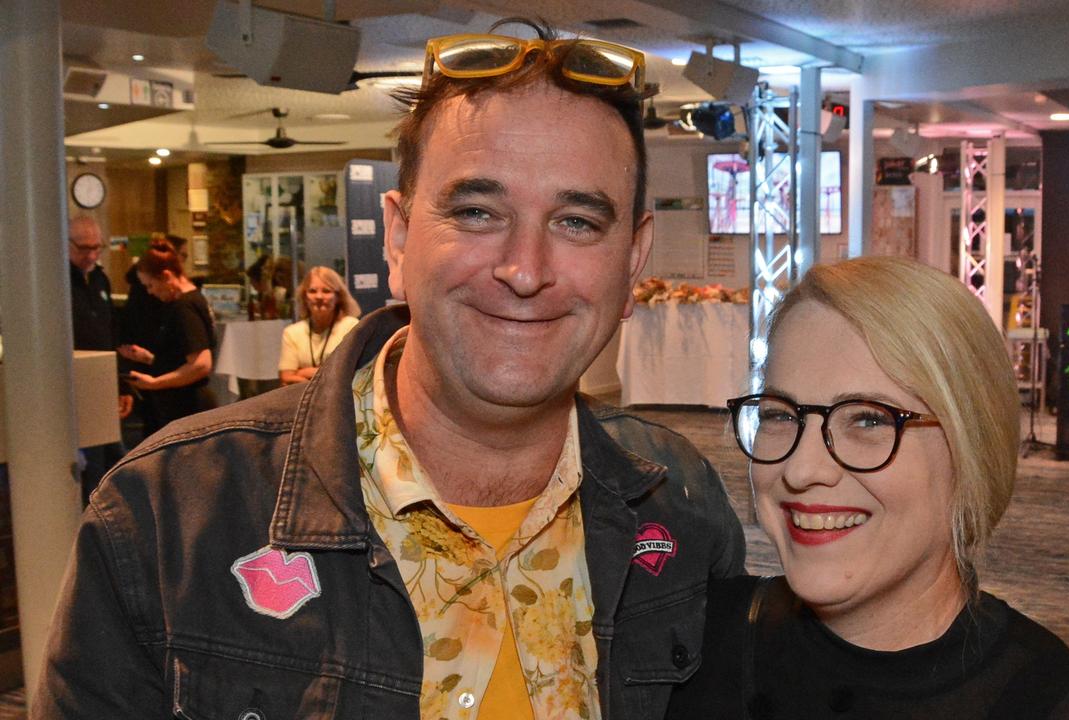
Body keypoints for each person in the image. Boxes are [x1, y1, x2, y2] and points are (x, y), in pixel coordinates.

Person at [38, 19, 745, 720]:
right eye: (476, 211)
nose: (525, 270)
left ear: (632, 260)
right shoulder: (171, 514)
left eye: (577, 223)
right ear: (399, 239)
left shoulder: (682, 506)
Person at [667, 257, 1069, 720]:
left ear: (972, 448)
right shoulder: (680, 648)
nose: (801, 468)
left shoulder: (1064, 704)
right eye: (779, 415)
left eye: (869, 419)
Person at [116, 239, 218, 430]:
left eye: (151, 285)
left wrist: (155, 383)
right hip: (186, 405)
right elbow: (183, 356)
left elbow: (201, 364)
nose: (150, 292)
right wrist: (149, 359)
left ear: (166, 276)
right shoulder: (192, 299)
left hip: (188, 407)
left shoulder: (184, 307)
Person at [67, 215, 132, 505]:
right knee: (89, 465)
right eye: (83, 248)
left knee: (113, 463)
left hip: (102, 382)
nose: (91, 255)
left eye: (97, 248)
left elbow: (110, 335)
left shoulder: (99, 278)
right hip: (73, 385)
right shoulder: (54, 280)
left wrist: (122, 384)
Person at [278, 265, 361, 385]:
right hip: (300, 401)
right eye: (312, 291)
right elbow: (286, 378)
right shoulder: (292, 332)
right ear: (304, 296)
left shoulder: (351, 327)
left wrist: (302, 373)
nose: (319, 297)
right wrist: (326, 378)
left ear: (338, 296)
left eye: (326, 291)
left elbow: (351, 373)